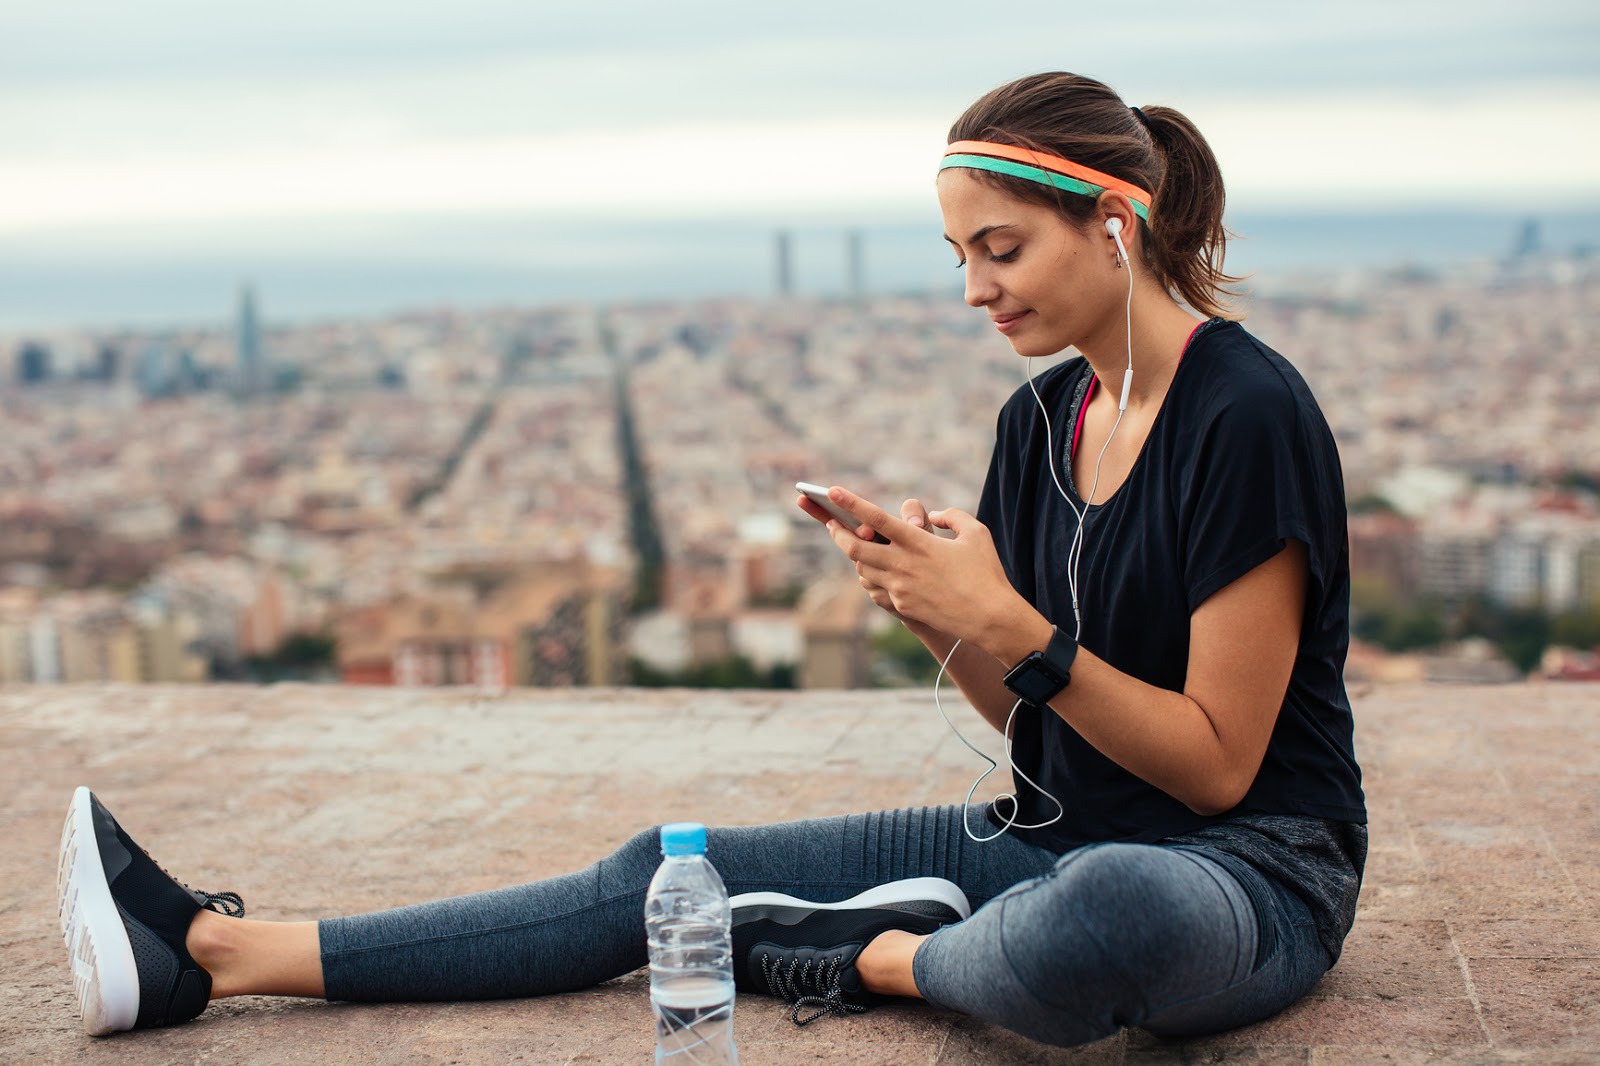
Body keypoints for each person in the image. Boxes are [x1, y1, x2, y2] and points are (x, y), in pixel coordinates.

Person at [55, 71, 1365, 1049]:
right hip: (1057, 830)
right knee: (665, 867)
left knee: (1119, 916)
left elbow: (1218, 765)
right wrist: (942, 614)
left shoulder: (1244, 411)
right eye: (960, 253)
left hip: (1249, 870)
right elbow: (1036, 725)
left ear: (1119, 227)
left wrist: (1015, 629)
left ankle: (880, 963)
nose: (974, 288)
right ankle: (217, 951)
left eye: (1002, 248)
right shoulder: (1040, 422)